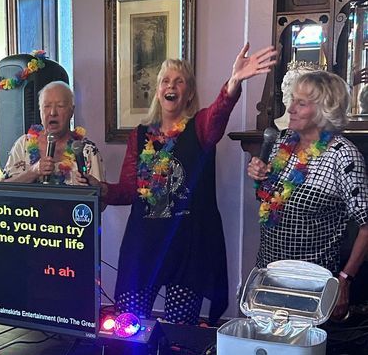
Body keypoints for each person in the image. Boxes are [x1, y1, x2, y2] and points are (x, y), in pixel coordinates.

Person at [82, 43, 277, 325]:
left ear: (188, 94)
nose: (170, 86)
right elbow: (128, 190)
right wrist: (103, 189)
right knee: (128, 324)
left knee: (179, 329)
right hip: (144, 246)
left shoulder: (200, 127)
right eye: (165, 81)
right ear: (158, 92)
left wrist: (234, 81)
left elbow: (219, 112)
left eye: (179, 81)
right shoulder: (140, 135)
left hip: (188, 248)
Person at [247, 70, 368, 321]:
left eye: (301, 103)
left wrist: (344, 279)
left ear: (325, 109)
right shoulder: (283, 144)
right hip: (268, 273)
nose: (290, 108)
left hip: (311, 285)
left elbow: (366, 225)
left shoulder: (342, 156)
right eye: (292, 100)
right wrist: (259, 176)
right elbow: (269, 204)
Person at [1, 81, 105, 184]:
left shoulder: (87, 150)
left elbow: (102, 195)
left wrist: (93, 187)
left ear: (71, 111)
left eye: (60, 106)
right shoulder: (23, 144)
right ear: (40, 111)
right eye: (47, 106)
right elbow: (3, 190)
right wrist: (33, 171)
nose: (53, 113)